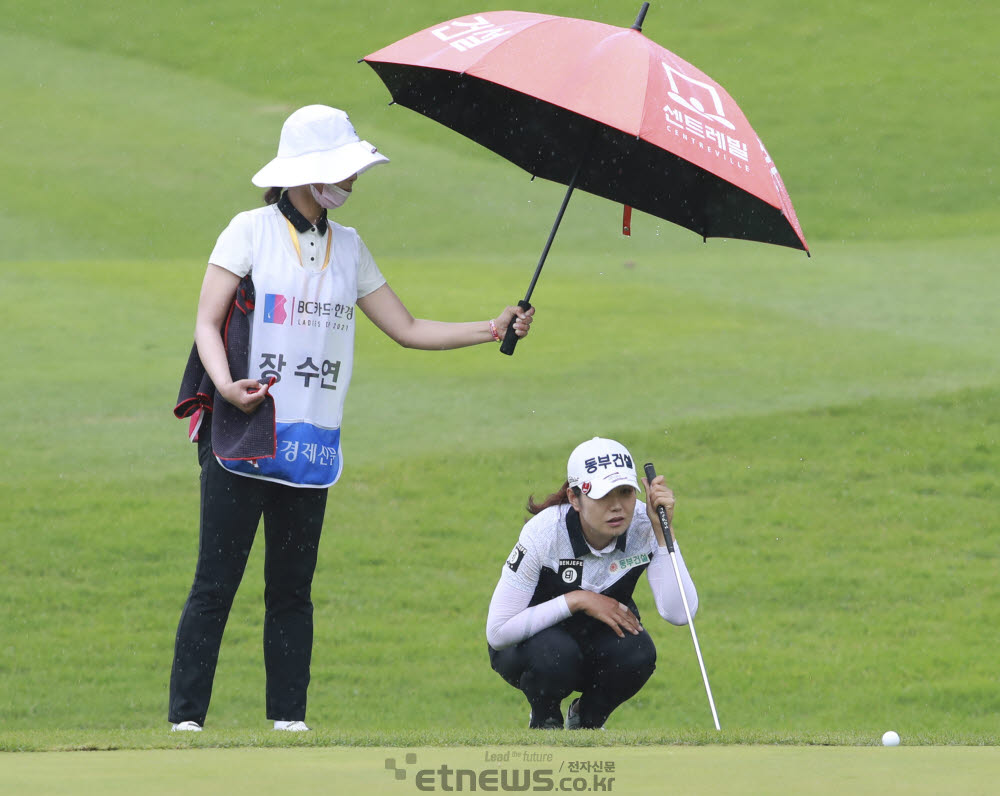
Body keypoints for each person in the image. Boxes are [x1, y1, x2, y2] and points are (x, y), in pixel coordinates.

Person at [169, 104, 534, 732]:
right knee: (215, 584)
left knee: (292, 588)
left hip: (310, 442)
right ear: (305, 174)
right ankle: (186, 724)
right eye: (342, 169)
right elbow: (206, 320)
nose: (353, 180)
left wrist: (490, 327)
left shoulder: (351, 248)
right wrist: (227, 389)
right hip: (243, 431)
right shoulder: (248, 230)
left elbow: (408, 328)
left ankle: (288, 723)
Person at [486, 437, 698, 729]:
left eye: (625, 493)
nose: (617, 507)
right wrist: (579, 599)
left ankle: (587, 722)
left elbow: (680, 613)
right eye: (602, 495)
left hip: (595, 642)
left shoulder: (644, 523)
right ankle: (545, 720)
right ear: (575, 498)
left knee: (638, 653)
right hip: (527, 647)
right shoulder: (545, 532)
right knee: (554, 654)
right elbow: (497, 633)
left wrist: (664, 530)